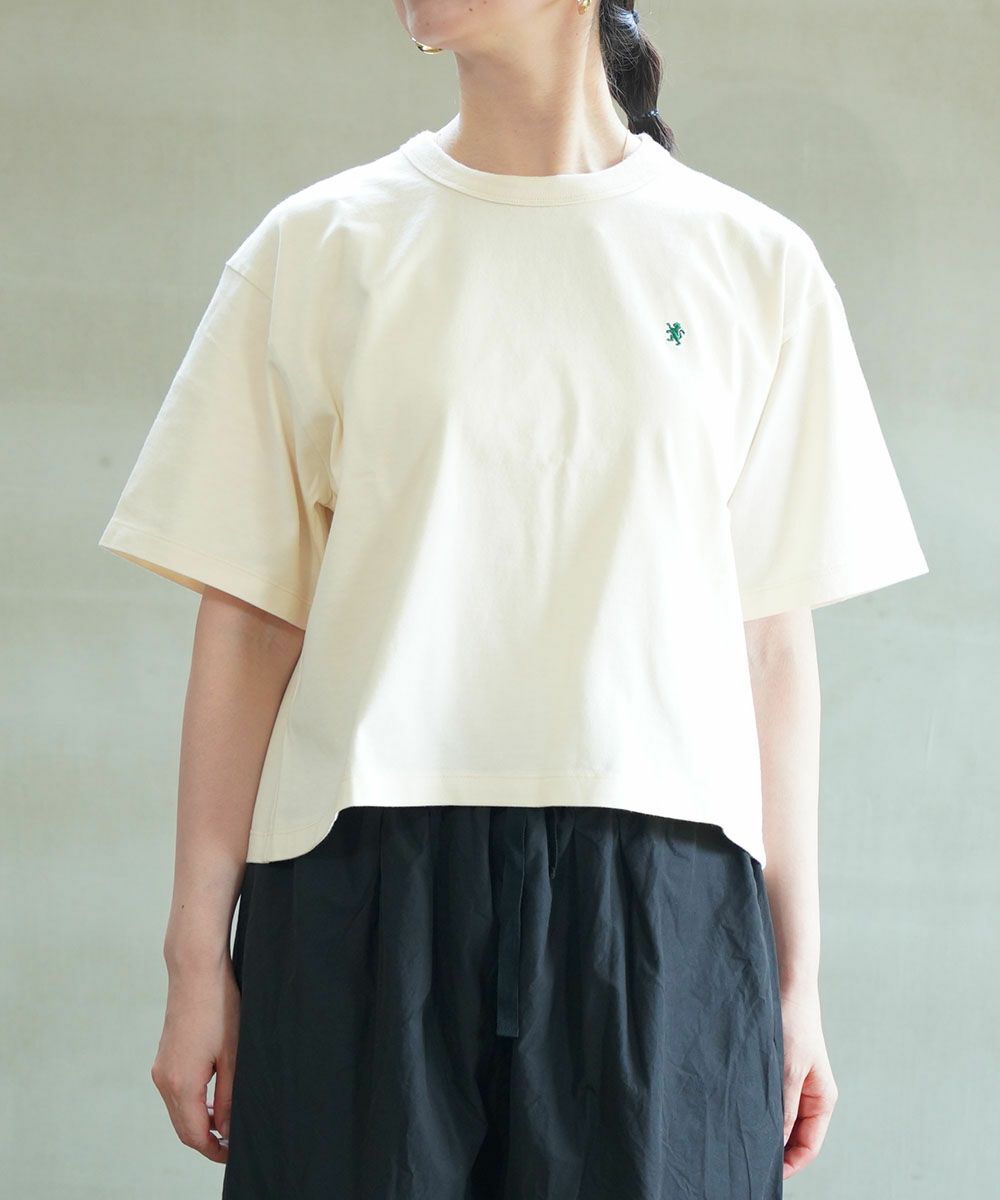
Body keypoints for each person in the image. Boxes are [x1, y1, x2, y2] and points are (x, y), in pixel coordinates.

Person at [97, 2, 930, 1197]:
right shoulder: (319, 246)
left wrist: (795, 982)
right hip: (360, 879)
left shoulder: (752, 261)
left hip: (664, 896)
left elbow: (769, 647)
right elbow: (249, 624)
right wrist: (194, 964)